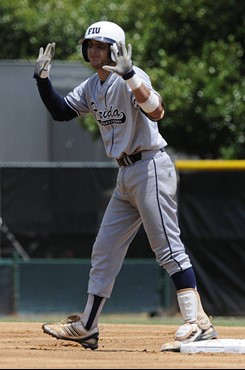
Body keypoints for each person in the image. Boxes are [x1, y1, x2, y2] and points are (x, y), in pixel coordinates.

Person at [33, 21, 217, 352]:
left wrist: (131, 76)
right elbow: (62, 112)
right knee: (104, 250)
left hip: (150, 167)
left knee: (167, 248)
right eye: (89, 45)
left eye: (100, 46)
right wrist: (43, 81)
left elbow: (157, 110)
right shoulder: (92, 86)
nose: (93, 50)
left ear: (116, 50)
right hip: (125, 175)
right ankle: (87, 327)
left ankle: (198, 322)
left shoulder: (132, 77)